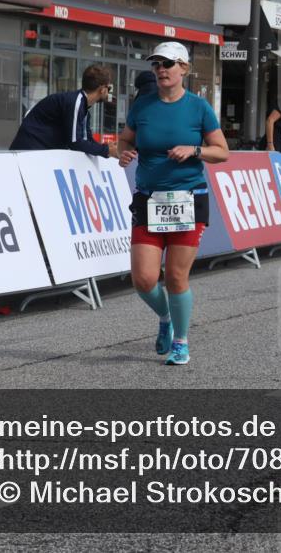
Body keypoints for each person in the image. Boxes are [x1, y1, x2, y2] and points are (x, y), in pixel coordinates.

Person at [117, 42, 229, 366]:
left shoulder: (198, 107)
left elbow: (222, 152)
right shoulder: (143, 105)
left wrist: (195, 150)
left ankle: (181, 342)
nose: (161, 69)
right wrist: (123, 152)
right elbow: (124, 139)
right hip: (149, 200)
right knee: (143, 279)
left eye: (168, 63)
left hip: (187, 199)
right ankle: (165, 317)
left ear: (184, 68)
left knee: (177, 276)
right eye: (156, 64)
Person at [10, 64, 119, 158]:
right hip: (28, 151)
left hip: (37, 151)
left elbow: (87, 140)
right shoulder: (76, 102)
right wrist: (106, 150)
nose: (109, 92)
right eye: (109, 88)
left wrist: (106, 147)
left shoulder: (82, 107)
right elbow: (75, 142)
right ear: (102, 89)